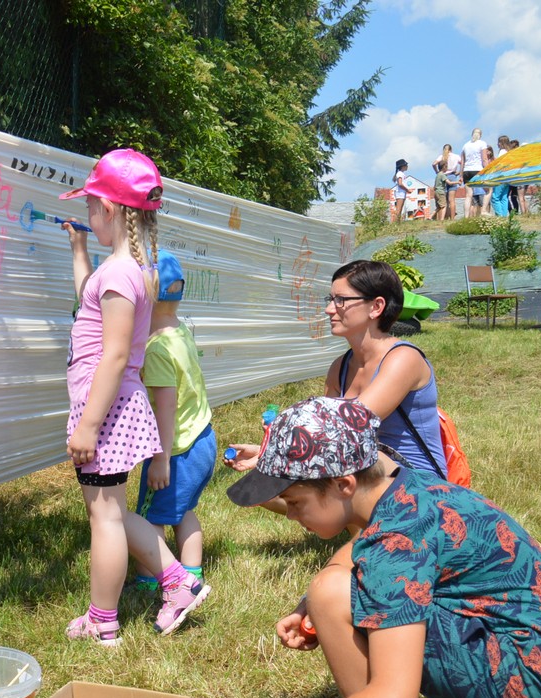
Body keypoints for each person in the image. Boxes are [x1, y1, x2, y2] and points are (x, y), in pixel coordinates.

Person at [217, 396, 541, 698]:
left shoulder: (396, 545)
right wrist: (311, 601)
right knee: (331, 590)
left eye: (295, 502)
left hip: (526, 683)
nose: (291, 515)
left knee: (333, 595)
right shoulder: (403, 485)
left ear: (344, 484)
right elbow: (369, 542)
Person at [57, 149, 208, 645]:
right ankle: (178, 582)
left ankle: (103, 621)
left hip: (105, 409)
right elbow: (92, 306)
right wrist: (80, 253)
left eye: (91, 210)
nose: (89, 219)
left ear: (113, 210)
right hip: (114, 407)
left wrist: (88, 425)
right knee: (117, 513)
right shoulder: (129, 270)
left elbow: (116, 356)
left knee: (103, 517)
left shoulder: (121, 274)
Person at [224, 260, 446, 516]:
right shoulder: (340, 367)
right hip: (364, 471)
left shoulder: (403, 359)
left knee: (313, 481)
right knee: (264, 489)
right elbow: (323, 435)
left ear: (376, 306)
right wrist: (268, 455)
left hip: (420, 488)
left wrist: (275, 456)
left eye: (341, 300)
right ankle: (348, 525)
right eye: (330, 299)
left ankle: (364, 531)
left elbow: (347, 428)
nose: (330, 309)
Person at [127, 253, 217, 634]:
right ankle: (191, 568)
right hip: (202, 438)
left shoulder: (157, 349)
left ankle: (157, 577)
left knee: (151, 514)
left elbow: (164, 407)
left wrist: (160, 458)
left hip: (175, 449)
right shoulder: (179, 331)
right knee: (182, 510)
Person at [460, 128, 490, 217]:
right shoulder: (482, 143)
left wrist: (461, 174)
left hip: (467, 171)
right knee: (488, 190)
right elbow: (484, 159)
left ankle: (466, 216)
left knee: (469, 195)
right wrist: (488, 170)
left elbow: (462, 162)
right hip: (477, 170)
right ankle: (484, 210)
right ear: (480, 135)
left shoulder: (465, 145)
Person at [431, 144, 460, 221]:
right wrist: (459, 172)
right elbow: (464, 163)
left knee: (444, 200)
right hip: (453, 177)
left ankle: (445, 218)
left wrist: (437, 171)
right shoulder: (456, 156)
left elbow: (434, 164)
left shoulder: (441, 156)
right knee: (452, 200)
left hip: (443, 177)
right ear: (451, 149)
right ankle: (452, 219)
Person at [490, 135, 511, 216]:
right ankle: (504, 216)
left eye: (498, 142)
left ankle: (500, 216)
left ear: (501, 143)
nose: (497, 144)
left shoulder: (502, 151)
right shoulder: (509, 152)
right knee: (504, 197)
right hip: (508, 177)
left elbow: (499, 164)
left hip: (501, 176)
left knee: (495, 197)